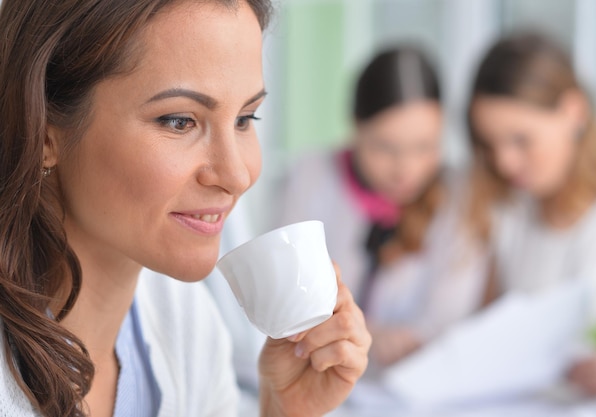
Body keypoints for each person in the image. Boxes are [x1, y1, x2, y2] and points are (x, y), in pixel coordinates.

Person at [0, 1, 371, 417]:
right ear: (44, 134)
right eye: (180, 121)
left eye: (246, 119)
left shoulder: (189, 327)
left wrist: (284, 412)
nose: (236, 175)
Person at [280, 46, 487, 369]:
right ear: (355, 126)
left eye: (425, 147)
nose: (406, 169)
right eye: (385, 147)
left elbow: (451, 318)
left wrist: (401, 339)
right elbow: (290, 298)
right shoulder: (310, 179)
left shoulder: (460, 196)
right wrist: (368, 334)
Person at [466, 32, 596, 398]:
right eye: (490, 145)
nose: (504, 162)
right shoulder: (508, 210)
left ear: (573, 112)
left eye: (521, 140)